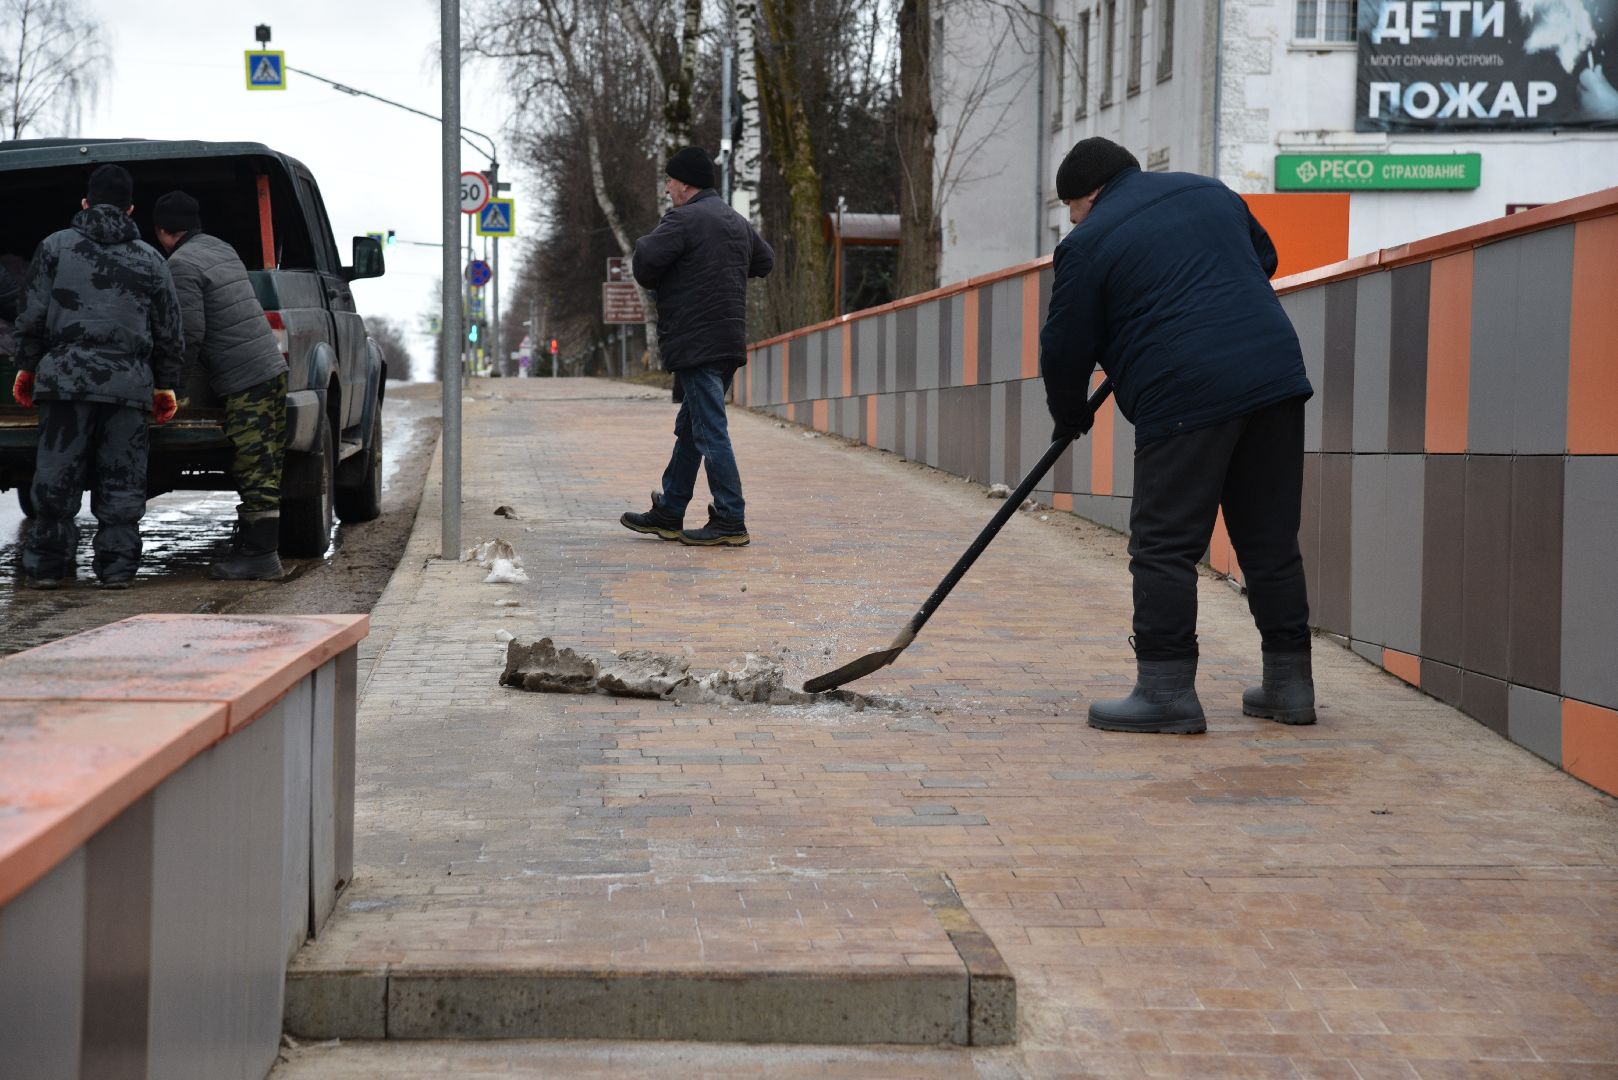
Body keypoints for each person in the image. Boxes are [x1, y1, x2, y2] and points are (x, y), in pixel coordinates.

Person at [1038, 137, 1315, 735]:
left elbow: (1064, 348)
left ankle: (1165, 693)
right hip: (1274, 376)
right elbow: (1262, 260)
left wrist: (1069, 415)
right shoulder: (1211, 192)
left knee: (1164, 544)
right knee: (1269, 539)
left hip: (1186, 389)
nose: (1073, 221)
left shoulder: (1086, 244)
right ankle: (1290, 687)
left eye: (1070, 209)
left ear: (1086, 195)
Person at [12, 164, 183, 590]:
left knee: (55, 476)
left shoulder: (54, 247)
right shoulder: (150, 258)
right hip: (128, 385)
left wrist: (28, 367)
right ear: (130, 209)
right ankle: (117, 571)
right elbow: (169, 331)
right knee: (123, 481)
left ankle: (49, 568)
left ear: (85, 203)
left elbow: (31, 316)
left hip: (64, 380)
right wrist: (165, 383)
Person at [620, 146, 773, 547]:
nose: (668, 188)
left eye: (670, 180)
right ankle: (670, 511)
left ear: (685, 183)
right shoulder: (735, 221)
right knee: (692, 428)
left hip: (695, 341)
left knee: (710, 431)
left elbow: (646, 261)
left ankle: (730, 518)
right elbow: (765, 260)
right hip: (726, 343)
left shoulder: (684, 220)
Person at [154, 190, 290, 581]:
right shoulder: (221, 248)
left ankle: (260, 557)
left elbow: (190, 335)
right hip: (268, 368)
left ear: (163, 232)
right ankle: (256, 549)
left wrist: (172, 390)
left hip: (246, 377)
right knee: (265, 461)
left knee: (254, 466)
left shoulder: (180, 264)